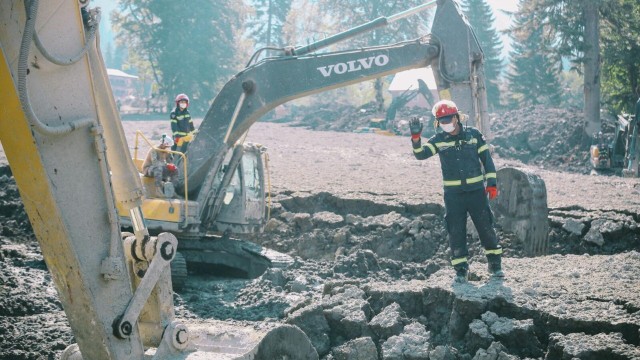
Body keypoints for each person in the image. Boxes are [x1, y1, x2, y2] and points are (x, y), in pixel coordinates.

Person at [409, 99, 503, 283]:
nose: (446, 123)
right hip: (453, 196)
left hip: (476, 192)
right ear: (438, 123)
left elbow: (487, 160)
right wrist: (415, 138)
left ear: (457, 117)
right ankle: (461, 270)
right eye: (442, 121)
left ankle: (495, 265)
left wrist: (491, 183)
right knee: (456, 231)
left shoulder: (474, 135)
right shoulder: (438, 140)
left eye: (449, 119)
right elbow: (421, 154)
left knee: (485, 227)